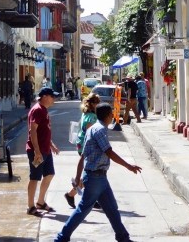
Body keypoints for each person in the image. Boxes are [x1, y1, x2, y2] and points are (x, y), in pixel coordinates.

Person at [54, 102, 141, 242]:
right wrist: (129, 166)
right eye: (111, 114)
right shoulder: (100, 130)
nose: (112, 116)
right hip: (95, 178)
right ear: (108, 115)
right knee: (83, 209)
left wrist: (78, 177)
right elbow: (109, 152)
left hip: (99, 178)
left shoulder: (92, 129)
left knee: (112, 209)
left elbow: (83, 156)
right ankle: (61, 238)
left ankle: (123, 238)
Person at [26, 86, 60, 216]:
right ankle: (30, 206)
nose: (54, 99)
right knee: (34, 177)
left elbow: (44, 131)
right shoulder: (38, 110)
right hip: (38, 151)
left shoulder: (43, 109)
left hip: (45, 150)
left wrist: (51, 145)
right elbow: (33, 131)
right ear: (44, 97)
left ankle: (40, 202)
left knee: (49, 174)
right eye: (52, 96)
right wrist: (37, 151)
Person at [64, 92, 101, 208]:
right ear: (93, 104)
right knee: (91, 173)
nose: (99, 105)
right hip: (87, 145)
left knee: (91, 172)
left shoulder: (85, 114)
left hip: (81, 143)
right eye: (98, 103)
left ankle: (74, 195)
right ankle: (80, 196)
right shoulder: (92, 116)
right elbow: (91, 133)